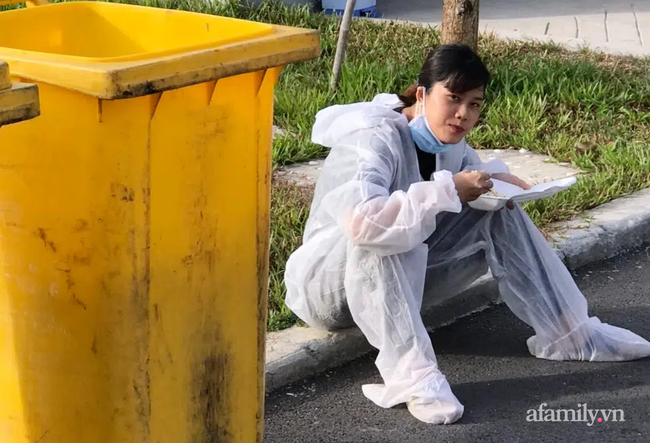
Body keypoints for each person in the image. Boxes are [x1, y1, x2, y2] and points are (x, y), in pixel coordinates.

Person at [283, 44, 650, 425]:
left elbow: (467, 182)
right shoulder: (372, 139)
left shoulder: (448, 141)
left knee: (497, 210)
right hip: (326, 291)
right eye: (453, 98)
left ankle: (570, 332)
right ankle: (415, 377)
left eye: (474, 104)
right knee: (386, 229)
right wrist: (447, 191)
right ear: (423, 94)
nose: (463, 115)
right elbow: (363, 223)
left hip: (396, 287)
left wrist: (497, 183)